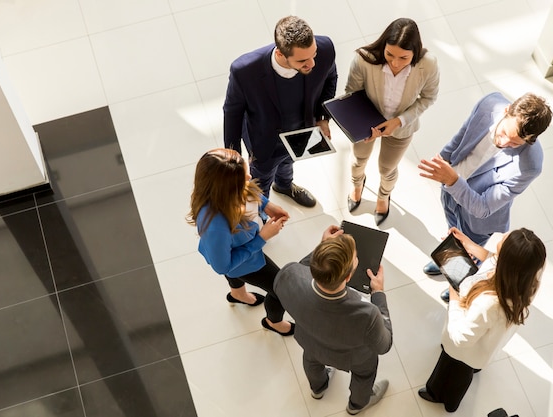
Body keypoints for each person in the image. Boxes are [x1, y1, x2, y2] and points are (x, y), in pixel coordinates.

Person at [418, 92, 552, 301]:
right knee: (453, 233)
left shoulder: (530, 166)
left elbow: (482, 208)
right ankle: (451, 260)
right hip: (451, 190)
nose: (505, 142)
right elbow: (460, 140)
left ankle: (460, 282)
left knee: (470, 250)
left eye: (515, 143)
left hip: (478, 219)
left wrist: (452, 180)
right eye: (506, 133)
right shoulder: (489, 104)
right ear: (506, 111)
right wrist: (441, 162)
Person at [418, 227, 546, 412]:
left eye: (503, 242)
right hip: (483, 347)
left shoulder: (490, 304)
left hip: (464, 348)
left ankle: (440, 396)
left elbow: (461, 338)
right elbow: (494, 259)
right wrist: (470, 246)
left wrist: (454, 295)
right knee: (467, 369)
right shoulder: (526, 282)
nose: (500, 237)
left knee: (452, 371)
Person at [273, 226, 393, 415]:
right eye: (356, 259)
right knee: (365, 375)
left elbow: (301, 269)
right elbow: (384, 345)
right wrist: (378, 293)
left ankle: (318, 388)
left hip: (310, 342)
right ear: (348, 276)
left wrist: (323, 247)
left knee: (311, 360)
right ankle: (357, 405)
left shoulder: (288, 275)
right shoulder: (367, 314)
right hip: (353, 359)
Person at [223, 15, 337, 207]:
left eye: (313, 55)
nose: (312, 64)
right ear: (280, 54)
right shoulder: (244, 71)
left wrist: (322, 117)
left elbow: (330, 78)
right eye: (303, 61)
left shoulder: (325, 49)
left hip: (302, 132)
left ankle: (284, 186)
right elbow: (232, 112)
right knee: (260, 183)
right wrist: (234, 157)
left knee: (288, 163)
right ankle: (260, 214)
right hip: (265, 142)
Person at [186, 148, 294, 336]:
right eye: (244, 176)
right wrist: (262, 238)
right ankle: (273, 322)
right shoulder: (215, 225)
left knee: (236, 273)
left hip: (238, 247)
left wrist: (267, 205)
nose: (249, 176)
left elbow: (249, 191)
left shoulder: (227, 188)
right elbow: (223, 266)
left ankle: (238, 294)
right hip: (244, 260)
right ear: (227, 187)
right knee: (281, 290)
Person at [345, 17, 439, 225]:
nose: (395, 63)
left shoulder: (428, 64)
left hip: (401, 128)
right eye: (389, 54)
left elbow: (428, 97)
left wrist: (399, 121)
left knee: (387, 168)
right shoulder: (364, 60)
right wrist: (366, 124)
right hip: (366, 123)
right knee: (359, 159)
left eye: (404, 58)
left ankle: (384, 195)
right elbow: (352, 93)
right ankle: (357, 184)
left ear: (415, 52)